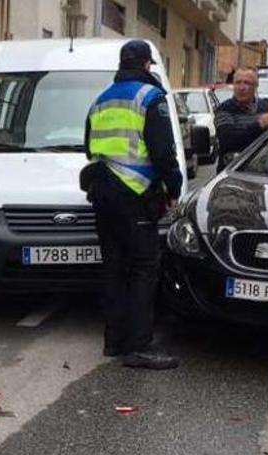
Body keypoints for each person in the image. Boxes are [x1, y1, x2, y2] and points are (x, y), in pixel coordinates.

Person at [82, 40, 183, 370]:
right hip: (136, 195)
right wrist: (174, 188)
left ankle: (113, 341)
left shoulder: (100, 100)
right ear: (146, 65)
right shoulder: (150, 98)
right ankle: (138, 346)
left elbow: (89, 148)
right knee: (143, 270)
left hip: (102, 192)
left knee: (114, 267)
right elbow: (163, 152)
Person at [214, 68, 268, 171]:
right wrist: (258, 125)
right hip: (233, 173)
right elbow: (227, 140)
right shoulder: (225, 109)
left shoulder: (267, 106)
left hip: (262, 174)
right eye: (238, 83)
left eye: (247, 83)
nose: (241, 87)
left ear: (256, 86)